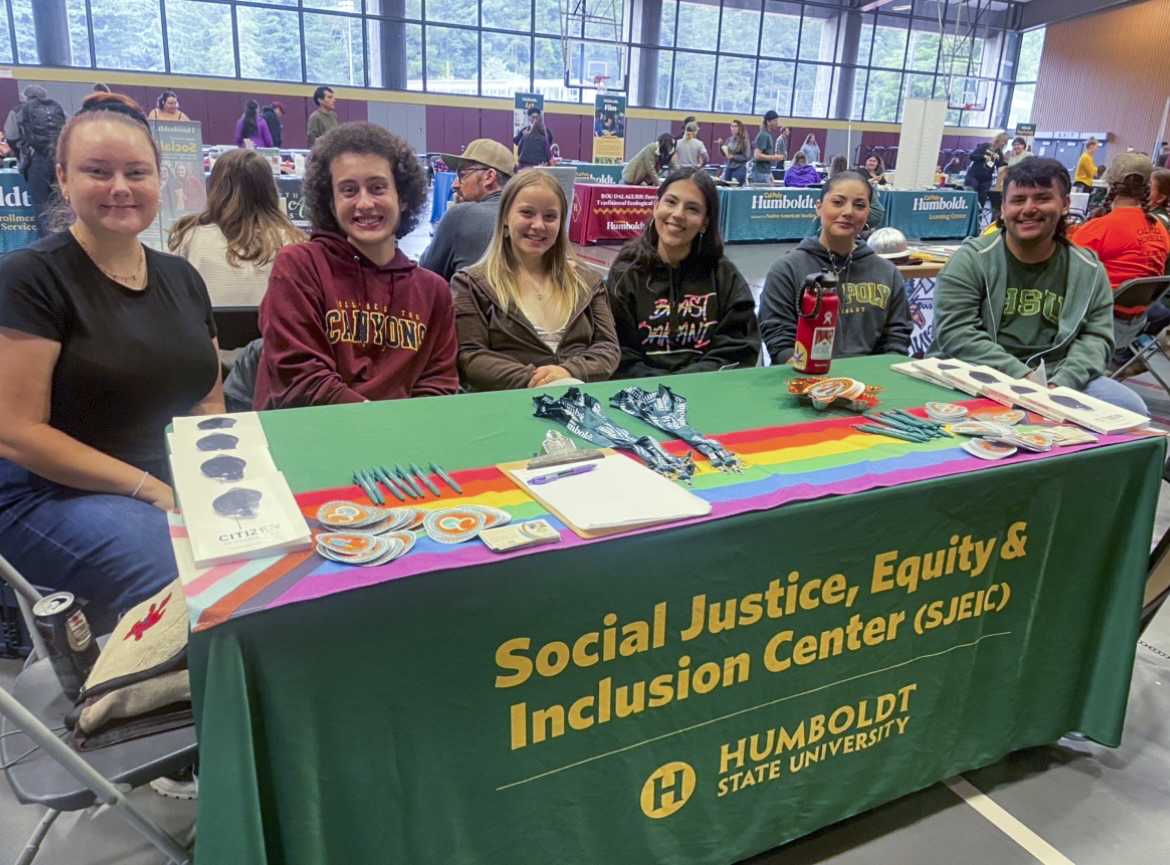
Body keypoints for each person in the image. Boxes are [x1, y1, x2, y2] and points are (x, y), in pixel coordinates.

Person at [0, 95, 222, 634]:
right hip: (50, 492)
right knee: (177, 574)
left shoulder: (182, 277)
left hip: (162, 479)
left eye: (135, 172)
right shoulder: (29, 278)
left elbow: (208, 400)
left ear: (158, 178)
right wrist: (154, 490)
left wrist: (215, 483)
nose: (120, 188)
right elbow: (17, 434)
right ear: (63, 177)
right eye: (97, 172)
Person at [253, 122, 457, 409]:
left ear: (404, 198)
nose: (364, 203)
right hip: (315, 437)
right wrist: (379, 428)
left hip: (402, 445)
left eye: (377, 188)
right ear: (331, 202)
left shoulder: (434, 292)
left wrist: (405, 435)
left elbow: (438, 386)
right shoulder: (299, 266)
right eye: (349, 190)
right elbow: (301, 378)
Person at [932, 157, 1147, 416]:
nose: (1029, 209)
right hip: (977, 373)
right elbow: (956, 332)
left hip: (1059, 380)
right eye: (1018, 200)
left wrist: (1062, 382)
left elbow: (1096, 338)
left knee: (1132, 409)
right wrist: (1022, 377)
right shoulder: (971, 260)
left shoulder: (1088, 269)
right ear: (1003, 208)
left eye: (1042, 198)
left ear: (1065, 204)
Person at [451, 171, 619, 391]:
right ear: (504, 219)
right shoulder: (470, 284)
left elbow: (608, 348)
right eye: (527, 213)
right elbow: (470, 356)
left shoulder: (588, 282)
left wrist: (570, 371)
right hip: (507, 407)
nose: (538, 225)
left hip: (580, 405)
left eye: (550, 217)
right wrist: (536, 380)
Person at [606, 168, 760, 377]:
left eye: (692, 209)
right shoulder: (626, 273)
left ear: (705, 222)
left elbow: (738, 349)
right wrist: (662, 389)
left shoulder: (724, 276)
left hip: (706, 391)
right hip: (641, 396)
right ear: (655, 206)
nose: (678, 214)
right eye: (671, 202)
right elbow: (617, 350)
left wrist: (686, 383)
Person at [759, 170, 911, 364]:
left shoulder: (887, 273)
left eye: (859, 205)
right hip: (802, 378)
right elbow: (779, 340)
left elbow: (896, 341)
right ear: (819, 207)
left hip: (871, 384)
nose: (848, 212)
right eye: (838, 202)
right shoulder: (787, 269)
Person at [168, 148, 306, 307]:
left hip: (206, 331)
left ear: (215, 188)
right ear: (269, 190)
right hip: (275, 332)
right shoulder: (296, 244)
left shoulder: (187, 239)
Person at [1070, 153, 1170, 354]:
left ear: (1109, 184)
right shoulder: (1160, 228)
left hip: (1093, 324)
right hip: (1134, 325)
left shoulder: (1099, 228)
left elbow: (1062, 266)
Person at [419, 138, 513, 281]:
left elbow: (426, 274)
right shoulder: (528, 219)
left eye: (462, 174)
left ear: (489, 177)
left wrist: (449, 220)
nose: (455, 184)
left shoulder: (461, 215)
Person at [6, 85, 66, 237]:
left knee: (41, 206)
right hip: (58, 160)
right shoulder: (56, 108)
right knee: (62, 202)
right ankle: (69, 241)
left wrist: (20, 152)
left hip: (35, 161)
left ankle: (48, 246)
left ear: (25, 96)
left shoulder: (18, 110)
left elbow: (11, 135)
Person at [991, 137, 1034, 222]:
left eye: (1018, 145)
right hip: (1011, 182)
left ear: (1023, 145)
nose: (1016, 147)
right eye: (1014, 145)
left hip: (1024, 182)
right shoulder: (1011, 156)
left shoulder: (1029, 155)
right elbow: (1005, 166)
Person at [965, 133, 1008, 210]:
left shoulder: (999, 153)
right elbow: (972, 156)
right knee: (972, 196)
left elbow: (1000, 166)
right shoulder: (985, 146)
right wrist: (984, 157)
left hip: (987, 178)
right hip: (974, 175)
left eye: (1004, 142)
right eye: (1001, 141)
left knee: (982, 199)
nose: (1002, 144)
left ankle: (979, 218)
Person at [752, 111, 784, 184]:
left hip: (765, 171)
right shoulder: (764, 135)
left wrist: (770, 174)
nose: (777, 123)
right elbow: (757, 155)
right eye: (775, 121)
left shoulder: (768, 134)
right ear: (768, 122)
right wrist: (774, 157)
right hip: (760, 172)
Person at [718, 119, 751, 186]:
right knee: (726, 186)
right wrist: (720, 145)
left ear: (740, 128)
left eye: (735, 126)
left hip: (739, 168)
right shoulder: (729, 140)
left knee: (737, 187)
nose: (733, 128)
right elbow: (723, 154)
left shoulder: (744, 141)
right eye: (732, 126)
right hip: (728, 167)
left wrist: (734, 157)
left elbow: (746, 156)